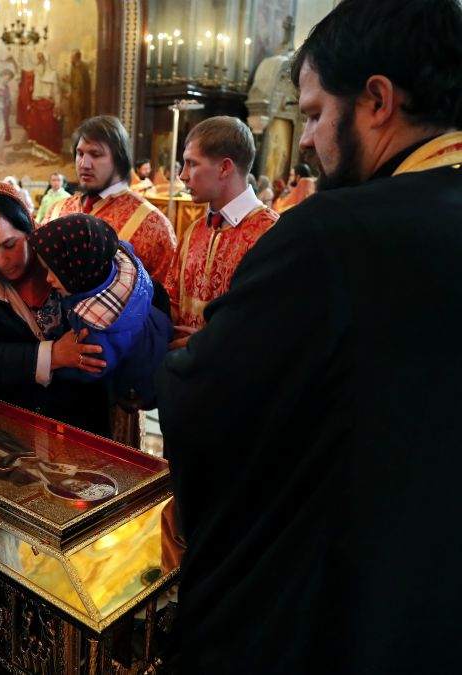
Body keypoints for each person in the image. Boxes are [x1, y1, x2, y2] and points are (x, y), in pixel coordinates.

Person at [157, 0, 462, 671]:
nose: (303, 139)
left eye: (317, 112)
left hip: (333, 607)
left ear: (377, 100)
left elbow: (205, 406)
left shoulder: (333, 234)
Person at [0, 180, 172, 437]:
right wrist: (53, 355)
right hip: (7, 425)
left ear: (29, 228)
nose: (1, 261)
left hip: (81, 422)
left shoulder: (61, 247)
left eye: (10, 245)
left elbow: (146, 292)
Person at [166, 116, 279, 346]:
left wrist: (210, 342)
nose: (183, 175)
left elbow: (276, 323)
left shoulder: (272, 235)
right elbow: (172, 300)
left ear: (225, 167)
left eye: (192, 163)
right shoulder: (194, 232)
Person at [48, 116, 177, 284]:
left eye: (95, 154)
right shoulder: (58, 210)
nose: (84, 164)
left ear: (119, 159)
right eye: (80, 154)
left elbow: (163, 299)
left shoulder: (153, 226)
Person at [28, 214, 154, 382]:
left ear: (79, 268)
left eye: (55, 271)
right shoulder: (109, 267)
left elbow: (91, 369)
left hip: (131, 380)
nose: (48, 279)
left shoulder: (98, 331)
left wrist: (55, 365)